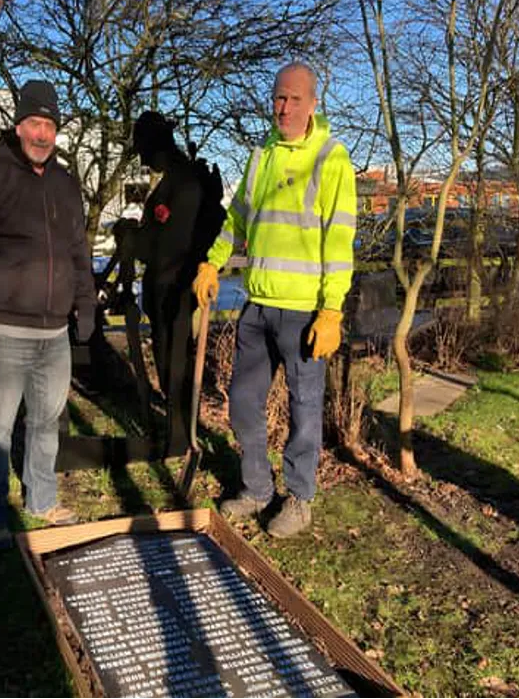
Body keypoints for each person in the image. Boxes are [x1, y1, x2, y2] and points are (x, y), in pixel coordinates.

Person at [192, 62, 356, 538]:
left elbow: (339, 240)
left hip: (305, 313)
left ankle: (300, 498)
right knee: (243, 401)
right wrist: (212, 262)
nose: (283, 107)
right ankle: (257, 488)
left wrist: (332, 309)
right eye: (279, 98)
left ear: (313, 104)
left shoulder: (331, 158)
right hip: (258, 305)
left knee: (305, 410)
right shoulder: (260, 157)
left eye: (294, 99)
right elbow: (236, 220)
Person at [0, 80, 96, 549]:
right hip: (3, 330)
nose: (42, 134)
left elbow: (79, 250)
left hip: (54, 333)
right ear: (18, 125)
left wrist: (86, 303)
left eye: (50, 125)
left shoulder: (66, 185)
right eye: (34, 123)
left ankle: (41, 499)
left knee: (46, 422)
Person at [130, 111, 224, 457]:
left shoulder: (186, 182)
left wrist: (134, 241)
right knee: (167, 360)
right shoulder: (171, 178)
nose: (140, 157)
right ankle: (176, 431)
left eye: (142, 147)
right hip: (163, 288)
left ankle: (180, 437)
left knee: (176, 364)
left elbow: (170, 243)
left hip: (179, 288)